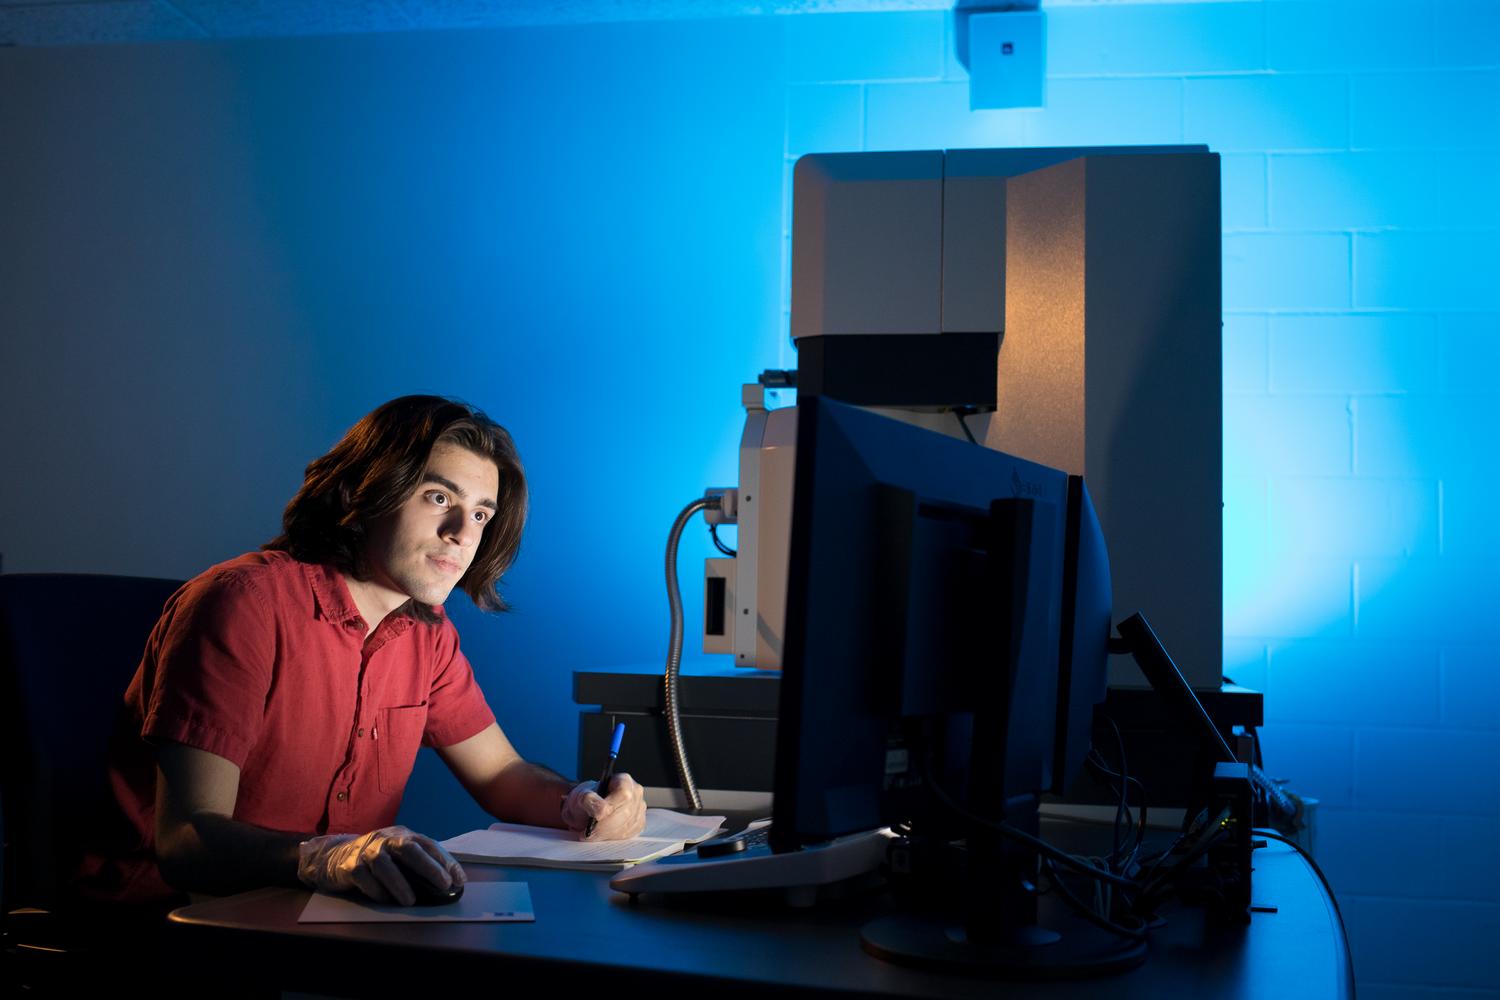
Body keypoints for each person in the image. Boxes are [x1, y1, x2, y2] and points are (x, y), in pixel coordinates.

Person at [82, 395, 645, 908]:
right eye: (438, 496)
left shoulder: (427, 633)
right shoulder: (242, 604)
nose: (462, 533)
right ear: (367, 490)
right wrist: (327, 856)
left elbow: (501, 773)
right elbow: (187, 841)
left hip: (317, 920)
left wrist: (579, 803)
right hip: (165, 926)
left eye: (480, 513)